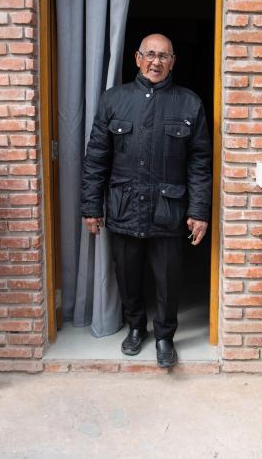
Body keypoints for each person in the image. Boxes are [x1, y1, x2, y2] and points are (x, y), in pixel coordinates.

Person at [81, 33, 212, 368]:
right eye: (150, 55)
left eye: (164, 56)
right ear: (137, 58)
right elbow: (96, 158)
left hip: (169, 210)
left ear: (173, 62)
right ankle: (136, 327)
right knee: (127, 274)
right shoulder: (114, 100)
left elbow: (200, 163)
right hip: (124, 207)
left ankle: (166, 335)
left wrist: (199, 211)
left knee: (169, 277)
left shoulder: (189, 103)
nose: (156, 62)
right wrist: (91, 207)